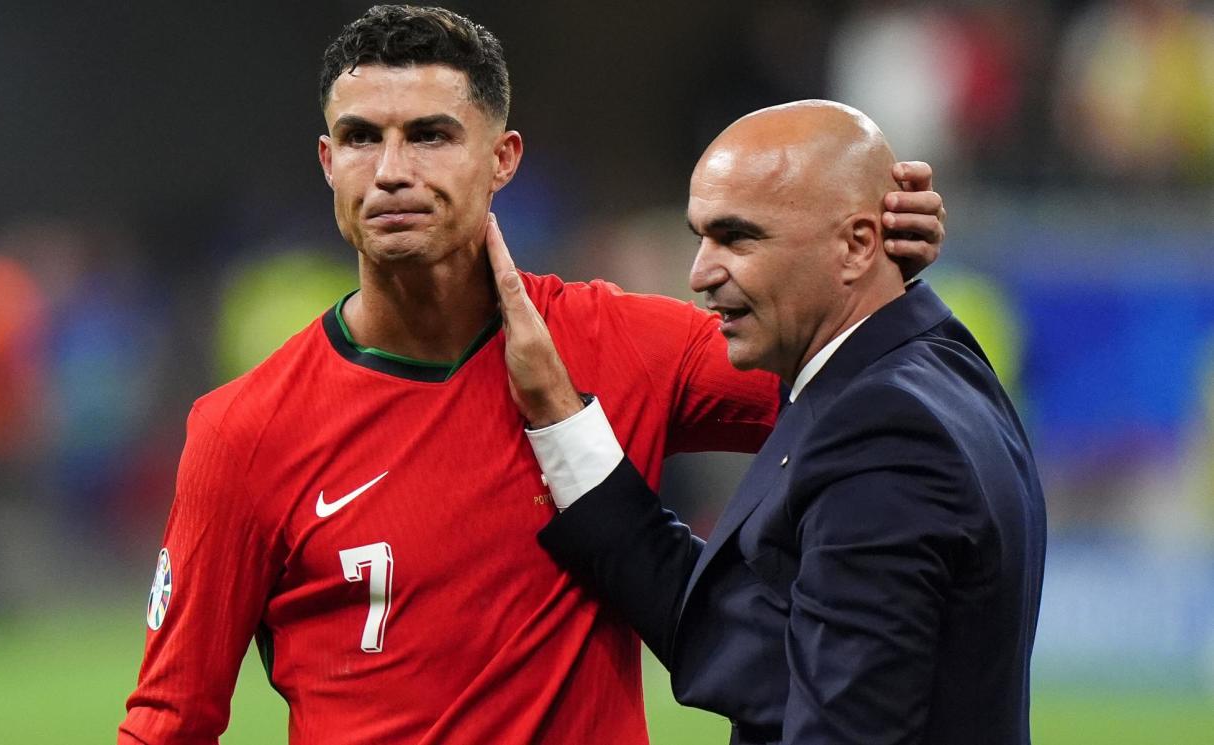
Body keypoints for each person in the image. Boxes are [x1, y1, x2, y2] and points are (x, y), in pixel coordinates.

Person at [119, 6, 946, 744]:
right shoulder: (245, 430)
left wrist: (878, 270)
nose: (392, 170)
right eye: (364, 138)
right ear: (329, 161)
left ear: (503, 157)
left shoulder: (616, 344)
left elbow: (859, 398)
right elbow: (170, 719)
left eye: (432, 135)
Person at [491, 100, 1045, 745]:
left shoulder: (885, 429)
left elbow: (843, 727)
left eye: (737, 238)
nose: (700, 274)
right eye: (700, 237)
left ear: (859, 244)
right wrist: (563, 425)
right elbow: (764, 651)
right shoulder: (933, 366)